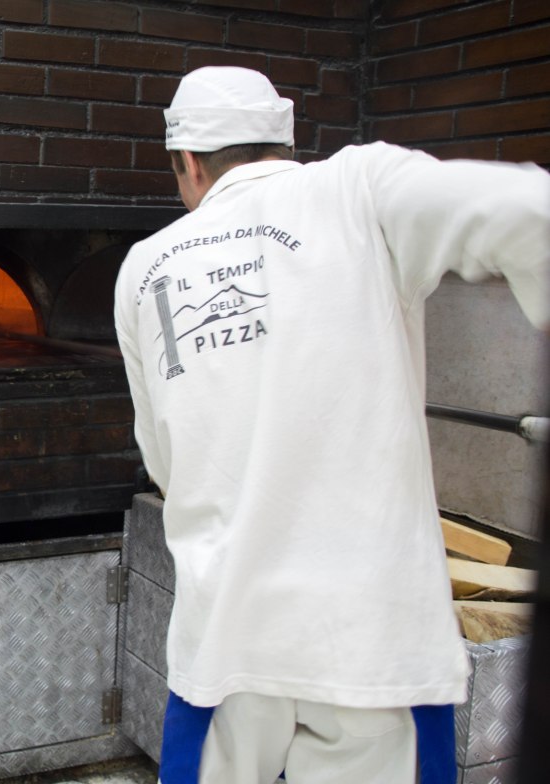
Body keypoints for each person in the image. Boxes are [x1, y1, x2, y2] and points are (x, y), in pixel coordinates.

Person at [113, 66, 549, 784]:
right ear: (283, 143)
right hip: (369, 641)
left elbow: (167, 461)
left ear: (187, 163)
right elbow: (531, 209)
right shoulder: (359, 188)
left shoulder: (144, 267)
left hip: (228, 638)